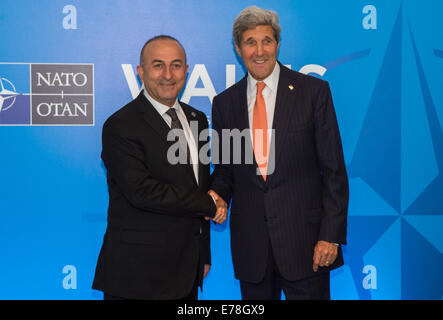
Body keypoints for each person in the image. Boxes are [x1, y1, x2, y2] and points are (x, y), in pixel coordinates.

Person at [210, 6, 349, 300]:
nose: (259, 51)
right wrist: (218, 195)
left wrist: (330, 235)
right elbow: (225, 170)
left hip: (307, 247)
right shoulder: (225, 104)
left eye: (267, 41)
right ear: (238, 48)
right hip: (252, 251)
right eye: (250, 42)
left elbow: (334, 171)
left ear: (277, 44)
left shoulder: (313, 92)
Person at [92, 35, 227, 300]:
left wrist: (204, 254)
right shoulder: (120, 125)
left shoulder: (196, 118)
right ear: (140, 71)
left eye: (176, 65)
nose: (168, 74)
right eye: (158, 65)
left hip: (187, 270)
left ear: (187, 71)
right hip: (137, 276)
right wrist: (210, 204)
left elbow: (200, 184)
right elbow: (141, 191)